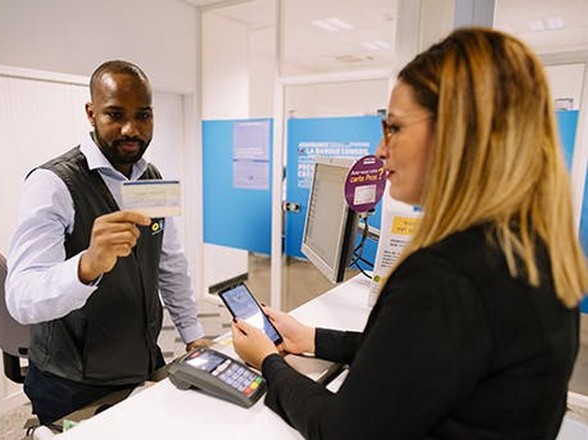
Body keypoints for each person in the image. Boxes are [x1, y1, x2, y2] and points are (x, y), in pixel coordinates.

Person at [231, 28, 588, 439]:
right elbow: (414, 358)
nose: (381, 150)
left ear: (457, 134)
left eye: (395, 128)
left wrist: (267, 364)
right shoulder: (527, 251)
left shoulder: (445, 279)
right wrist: (312, 337)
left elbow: (340, 431)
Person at [5, 60, 210, 425]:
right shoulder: (52, 184)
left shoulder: (150, 176)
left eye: (143, 115)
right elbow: (20, 297)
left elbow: (171, 264)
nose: (131, 129)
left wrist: (192, 335)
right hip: (71, 380)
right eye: (115, 114)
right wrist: (86, 266)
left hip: (142, 359)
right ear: (91, 112)